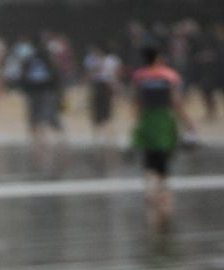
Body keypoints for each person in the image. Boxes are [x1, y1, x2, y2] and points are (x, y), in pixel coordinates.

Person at [132, 45, 197, 226]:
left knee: (148, 156)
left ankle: (149, 190)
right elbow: (175, 102)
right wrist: (188, 123)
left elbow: (136, 102)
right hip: (163, 120)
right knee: (163, 156)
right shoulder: (169, 76)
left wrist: (138, 122)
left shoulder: (139, 77)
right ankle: (161, 190)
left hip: (146, 119)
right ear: (158, 58)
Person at [19, 38, 65, 151]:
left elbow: (55, 76)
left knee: (43, 115)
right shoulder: (36, 60)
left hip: (44, 90)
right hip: (38, 90)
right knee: (37, 115)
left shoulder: (43, 60)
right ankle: (38, 141)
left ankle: (43, 140)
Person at [84, 44, 122, 144]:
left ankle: (111, 137)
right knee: (96, 112)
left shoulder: (111, 60)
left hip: (107, 85)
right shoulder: (92, 60)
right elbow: (90, 74)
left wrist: (116, 89)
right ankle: (97, 137)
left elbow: (114, 75)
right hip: (97, 85)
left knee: (108, 113)